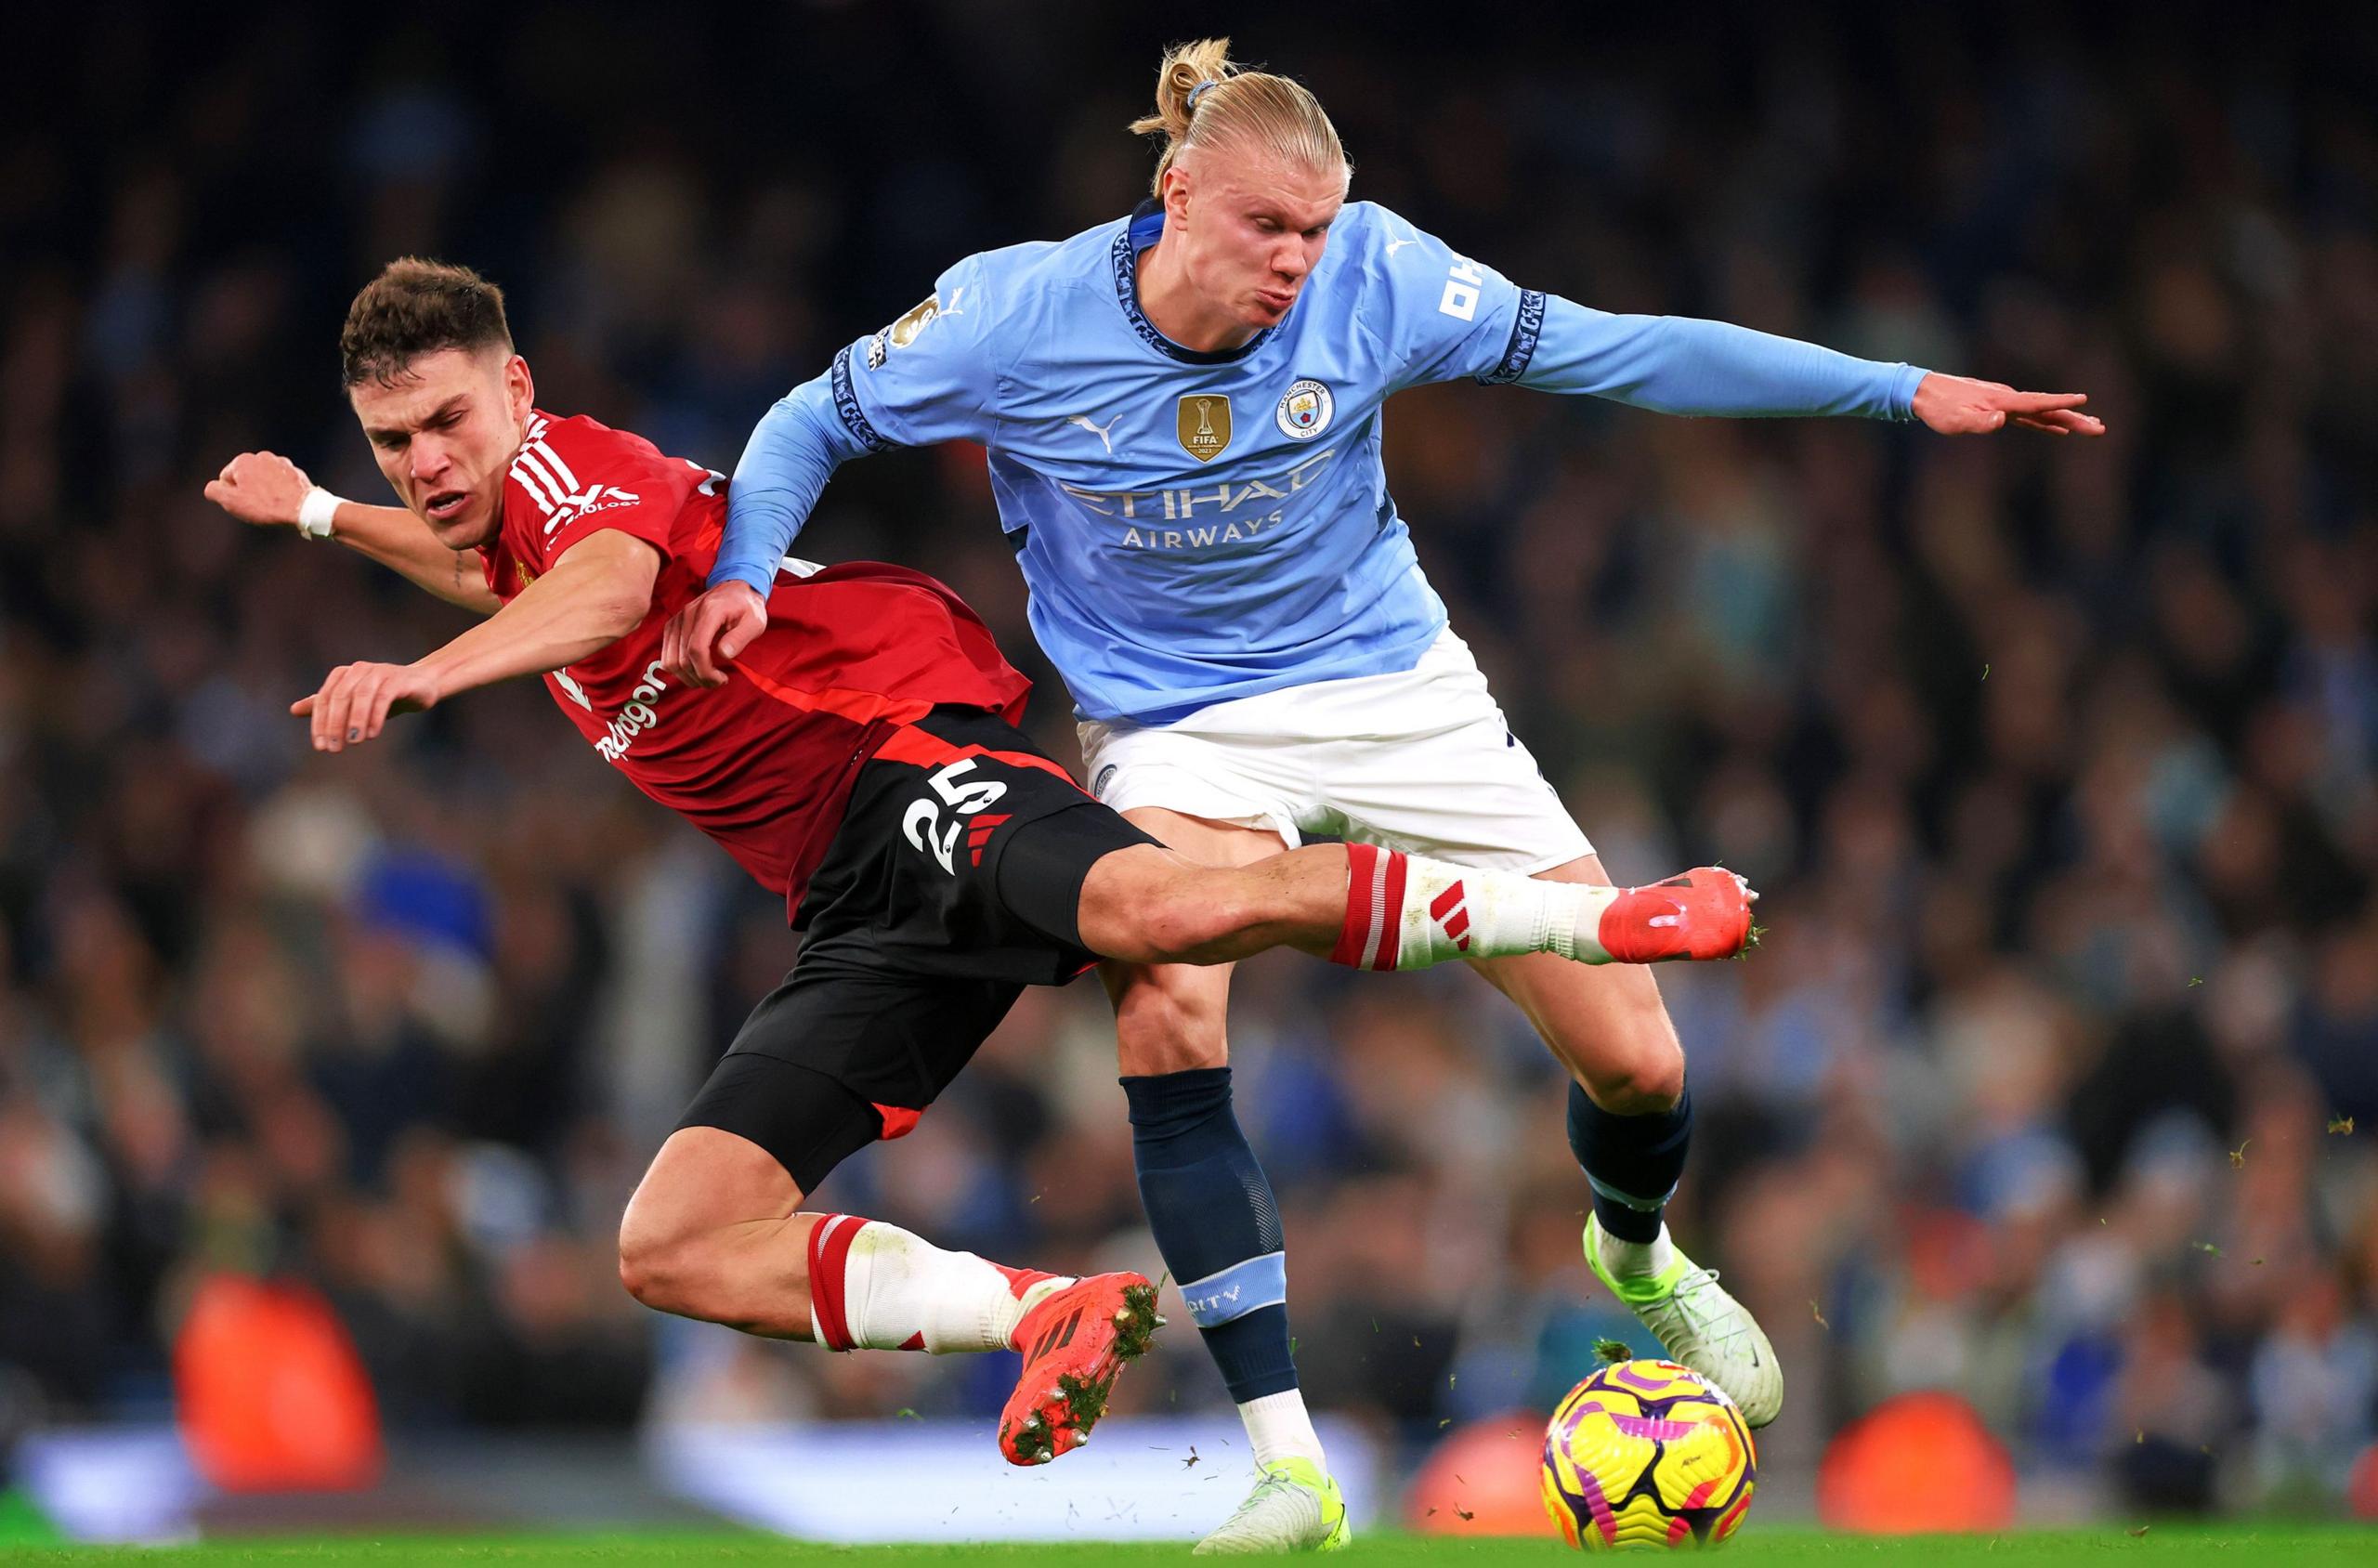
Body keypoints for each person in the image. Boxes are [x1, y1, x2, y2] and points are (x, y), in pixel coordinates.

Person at [664, 37, 2106, 1551]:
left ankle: (1642, 1262)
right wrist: (750, 571)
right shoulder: (1012, 312)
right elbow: (806, 420)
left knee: (1643, 1068)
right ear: (1172, 196)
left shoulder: (1383, 277)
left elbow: (1622, 349)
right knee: (1164, 991)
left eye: (1317, 230)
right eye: (1266, 230)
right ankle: (1289, 1467)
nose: (1300, 263)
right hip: (1177, 730)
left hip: (1396, 695)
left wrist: (1898, 390)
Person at [205, 258, 1758, 1475]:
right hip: (848, 892)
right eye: (393, 442)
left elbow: (607, 589)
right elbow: (476, 554)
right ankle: (1046, 1311)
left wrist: (426, 677)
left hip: (901, 754)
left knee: (1173, 909)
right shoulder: (491, 527)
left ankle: (1599, 915)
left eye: (446, 426)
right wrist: (326, 515)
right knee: (671, 1244)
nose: (426, 462)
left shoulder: (568, 482)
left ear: (517, 391)